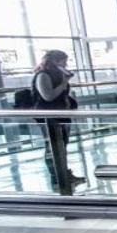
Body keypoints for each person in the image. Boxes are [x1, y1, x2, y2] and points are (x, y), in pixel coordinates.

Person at [33, 49, 83, 193]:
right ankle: (57, 177)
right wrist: (64, 82)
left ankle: (63, 174)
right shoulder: (42, 75)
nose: (66, 64)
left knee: (62, 145)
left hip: (61, 115)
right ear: (55, 61)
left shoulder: (56, 75)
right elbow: (48, 96)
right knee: (53, 146)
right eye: (63, 61)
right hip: (50, 118)